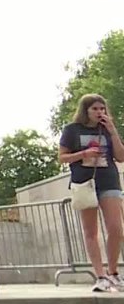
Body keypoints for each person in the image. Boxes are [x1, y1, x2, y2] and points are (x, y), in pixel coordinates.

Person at [58, 94, 124, 292]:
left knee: (116, 228)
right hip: (84, 182)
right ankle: (100, 275)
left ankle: (113, 272)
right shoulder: (72, 130)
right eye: (95, 109)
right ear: (85, 110)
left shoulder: (107, 129)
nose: (99, 112)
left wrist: (113, 132)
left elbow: (120, 157)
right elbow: (62, 158)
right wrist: (83, 154)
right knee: (91, 231)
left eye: (102, 109)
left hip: (109, 180)